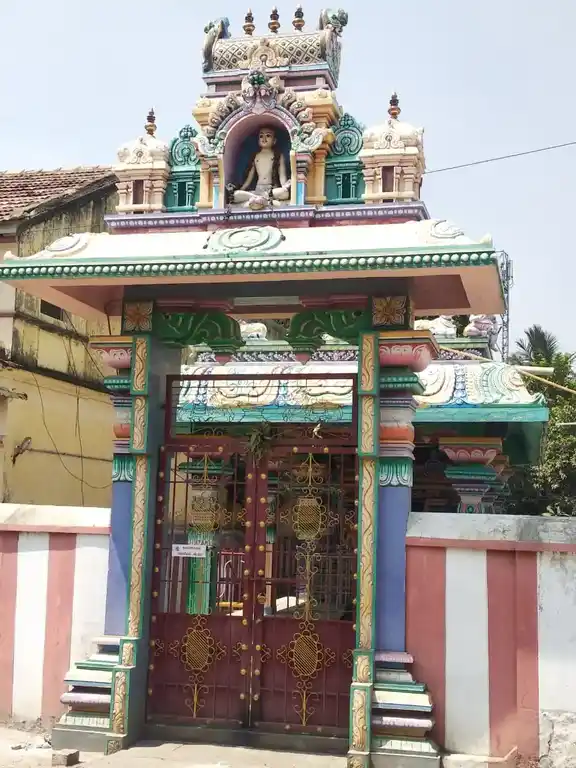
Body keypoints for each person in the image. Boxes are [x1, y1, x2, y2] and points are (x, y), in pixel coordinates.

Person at [228, 126, 291, 209]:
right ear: (258, 140)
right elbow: (249, 178)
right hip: (257, 190)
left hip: (271, 190)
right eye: (261, 136)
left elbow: (282, 176)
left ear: (274, 141)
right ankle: (260, 199)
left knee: (284, 193)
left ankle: (259, 199)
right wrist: (241, 189)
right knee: (235, 195)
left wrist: (285, 186)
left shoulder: (278, 156)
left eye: (268, 136)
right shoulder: (256, 156)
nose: (264, 138)